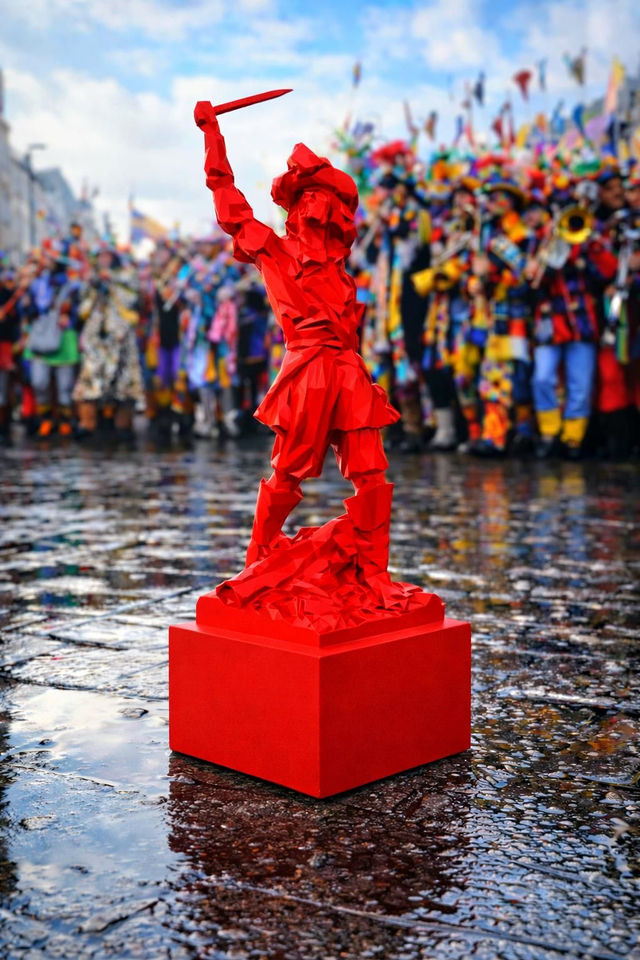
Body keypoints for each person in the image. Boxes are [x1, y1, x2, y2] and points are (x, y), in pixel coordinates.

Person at [195, 102, 422, 617]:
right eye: (311, 201)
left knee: (371, 473)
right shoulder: (275, 252)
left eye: (329, 202)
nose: (320, 210)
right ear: (297, 211)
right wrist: (213, 136)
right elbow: (230, 208)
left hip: (347, 370)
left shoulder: (342, 272)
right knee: (287, 473)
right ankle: (257, 560)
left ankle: (375, 573)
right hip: (308, 370)